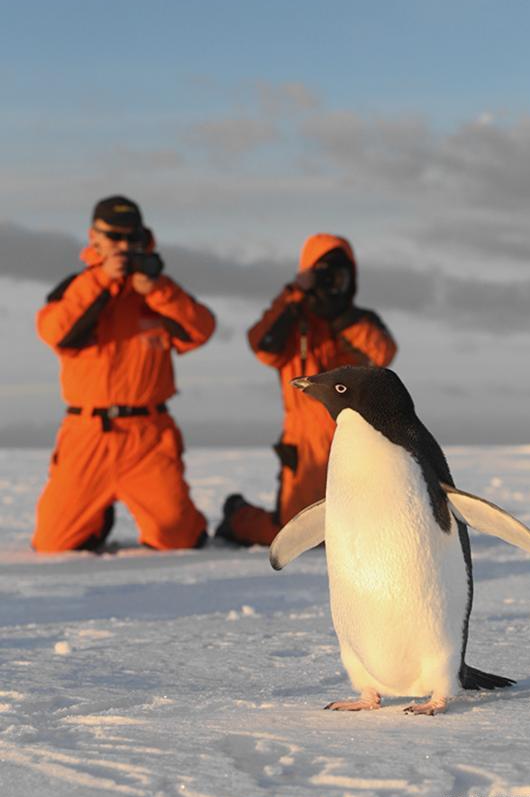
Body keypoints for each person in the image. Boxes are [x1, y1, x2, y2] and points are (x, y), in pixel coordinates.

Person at [32, 195, 216, 553]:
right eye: (114, 238)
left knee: (177, 539)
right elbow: (54, 332)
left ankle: (187, 521)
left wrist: (158, 290)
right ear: (93, 237)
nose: (123, 247)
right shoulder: (76, 288)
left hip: (148, 436)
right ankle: (95, 518)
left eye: (131, 239)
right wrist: (101, 279)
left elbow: (202, 330)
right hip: (86, 436)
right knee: (52, 544)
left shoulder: (157, 290)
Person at [215, 233, 397, 546]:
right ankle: (238, 518)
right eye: (321, 272)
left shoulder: (359, 322)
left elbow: (382, 354)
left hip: (358, 439)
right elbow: (263, 347)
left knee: (367, 530)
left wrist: (339, 314)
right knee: (294, 536)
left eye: (338, 274)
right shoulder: (292, 318)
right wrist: (293, 295)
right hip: (305, 446)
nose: (331, 281)